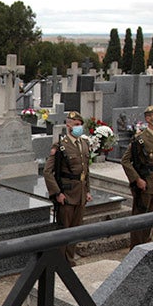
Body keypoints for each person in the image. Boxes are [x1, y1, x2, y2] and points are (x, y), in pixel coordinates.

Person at [44, 111, 92, 265]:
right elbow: (48, 172)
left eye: (80, 125)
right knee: (65, 229)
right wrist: (57, 192)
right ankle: (60, 260)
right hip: (67, 193)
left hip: (81, 193)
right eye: (76, 124)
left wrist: (88, 190)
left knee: (76, 229)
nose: (78, 128)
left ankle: (70, 258)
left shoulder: (84, 144)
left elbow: (86, 171)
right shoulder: (60, 146)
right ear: (68, 125)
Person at [121, 106, 153, 247]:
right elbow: (126, 160)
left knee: (151, 219)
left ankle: (146, 246)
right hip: (144, 183)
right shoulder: (140, 139)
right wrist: (137, 179)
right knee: (140, 219)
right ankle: (136, 247)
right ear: (148, 118)